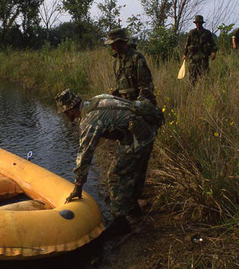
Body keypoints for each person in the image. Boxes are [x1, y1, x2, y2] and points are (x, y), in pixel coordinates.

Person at [55, 89, 162, 236]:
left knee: (115, 175)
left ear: (70, 110)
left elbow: (85, 155)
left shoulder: (89, 121)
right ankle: (133, 207)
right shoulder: (98, 99)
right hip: (146, 131)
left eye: (65, 112)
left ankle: (121, 222)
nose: (65, 116)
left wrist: (78, 187)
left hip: (137, 138)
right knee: (136, 169)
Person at [105, 28, 157, 106]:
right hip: (124, 105)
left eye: (114, 44)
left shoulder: (136, 57)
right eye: (111, 45)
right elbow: (122, 85)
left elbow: (146, 86)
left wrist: (139, 103)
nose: (112, 48)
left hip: (138, 104)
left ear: (121, 42)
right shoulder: (116, 61)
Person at [183, 15, 218, 85]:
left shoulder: (207, 33)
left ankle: (203, 90)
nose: (198, 24)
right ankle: (192, 92)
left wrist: (213, 52)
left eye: (199, 23)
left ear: (202, 23)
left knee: (204, 76)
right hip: (193, 59)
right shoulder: (192, 33)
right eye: (197, 23)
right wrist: (184, 54)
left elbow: (213, 44)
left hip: (203, 58)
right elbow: (187, 44)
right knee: (192, 77)